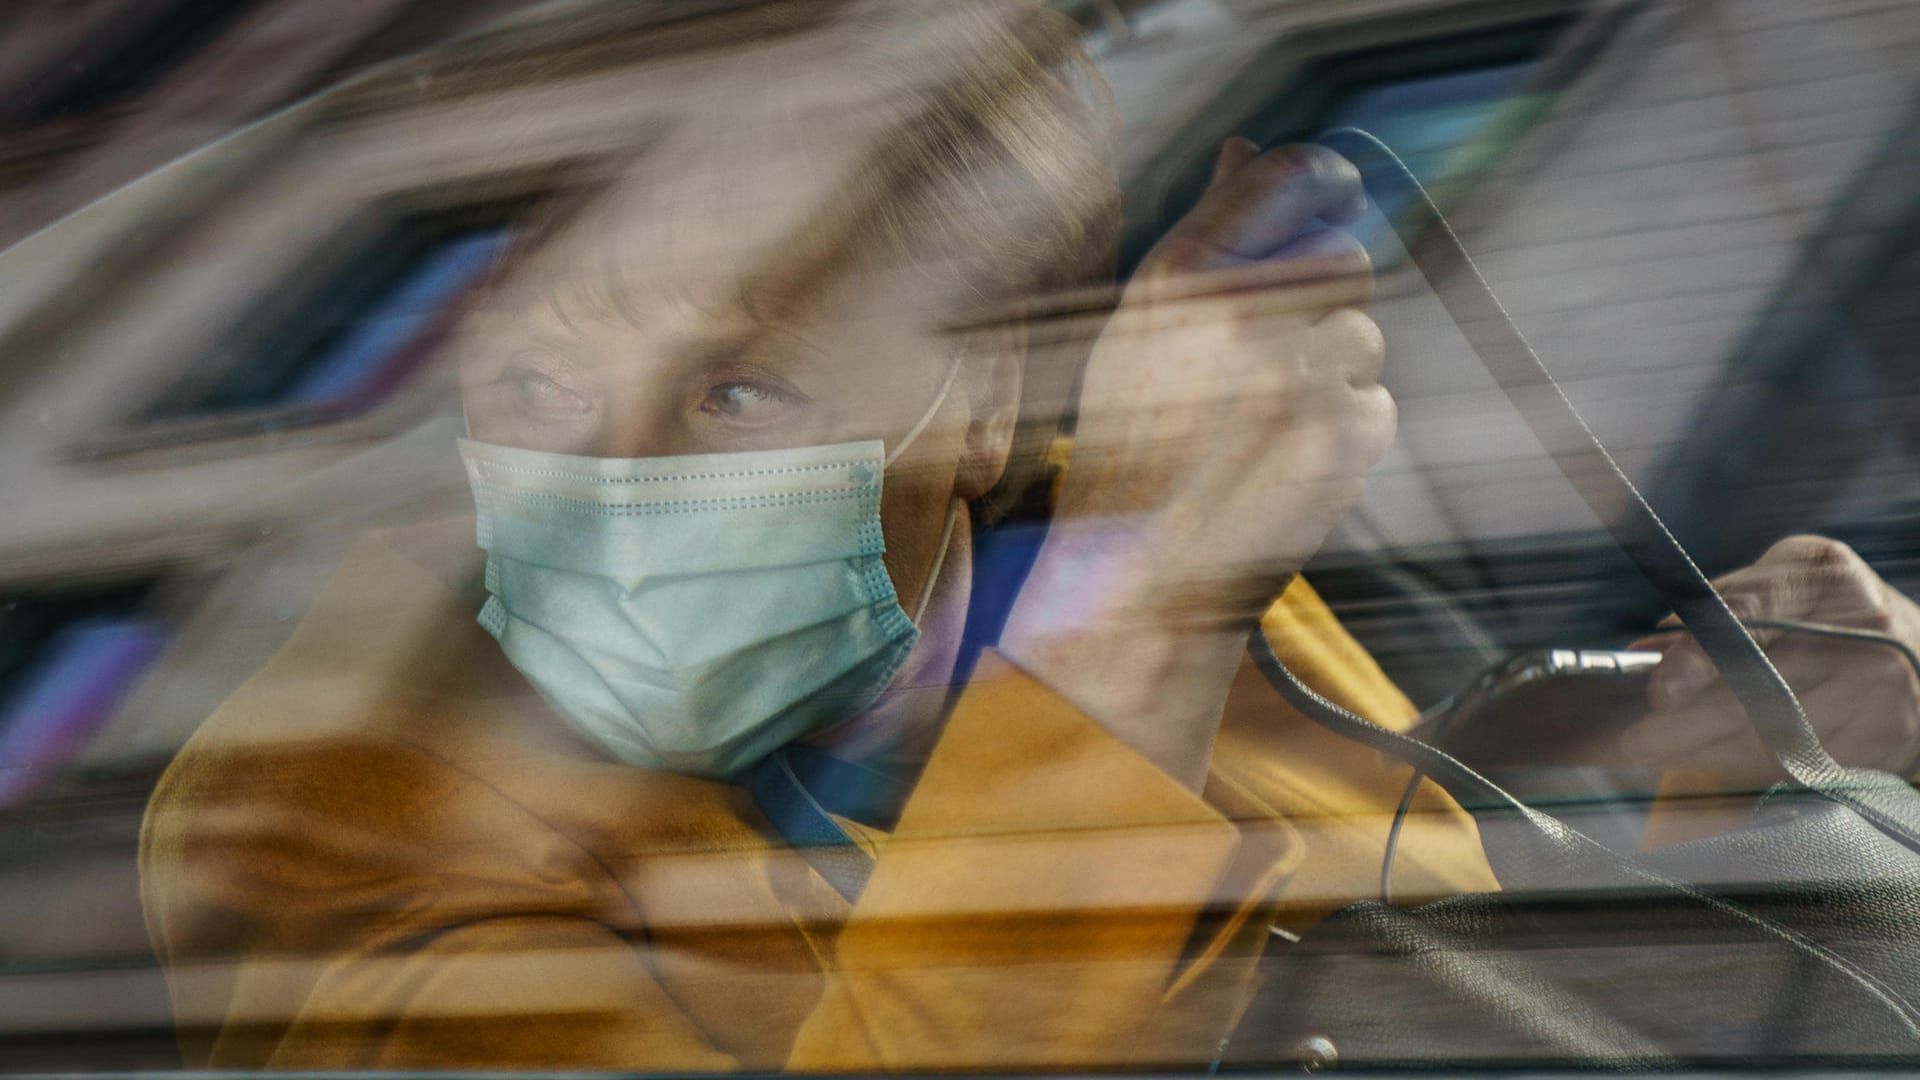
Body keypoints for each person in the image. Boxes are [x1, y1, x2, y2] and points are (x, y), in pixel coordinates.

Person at [138, 0, 1920, 1070]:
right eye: (530, 375)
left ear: (981, 407)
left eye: (738, 390)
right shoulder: (310, 809)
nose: (601, 471)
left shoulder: (1074, 543)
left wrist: (1688, 769)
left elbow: (1397, 925)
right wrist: (1140, 616)